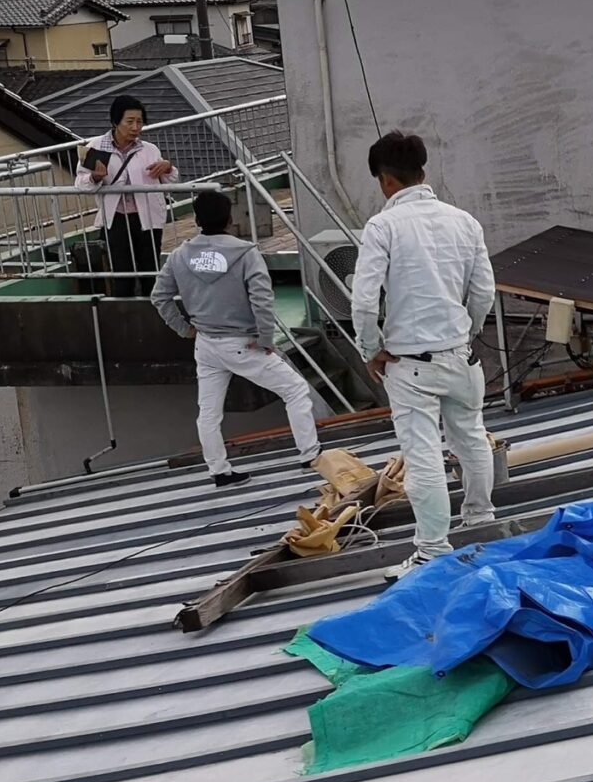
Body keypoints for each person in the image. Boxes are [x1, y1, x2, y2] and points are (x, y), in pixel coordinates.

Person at [352, 130, 496, 567]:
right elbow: (484, 290)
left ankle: (433, 550)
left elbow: (363, 300)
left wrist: (370, 349)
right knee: (471, 437)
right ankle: (481, 517)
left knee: (423, 454)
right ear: (423, 171)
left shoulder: (383, 226)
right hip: (461, 355)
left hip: (410, 363)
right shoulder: (464, 220)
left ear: (386, 181)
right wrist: (467, 331)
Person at [152, 190, 321, 488]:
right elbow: (262, 299)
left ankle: (219, 470)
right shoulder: (245, 253)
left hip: (205, 343)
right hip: (243, 343)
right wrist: (267, 337)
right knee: (295, 390)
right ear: (230, 219)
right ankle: (310, 455)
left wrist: (183, 328)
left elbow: (160, 297)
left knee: (209, 412)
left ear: (196, 219)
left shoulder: (180, 255)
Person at [76, 93, 176, 295]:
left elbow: (171, 181)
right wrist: (95, 177)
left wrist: (167, 168)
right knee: (122, 271)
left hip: (147, 217)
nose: (135, 127)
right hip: (116, 219)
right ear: (115, 121)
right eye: (129, 121)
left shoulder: (149, 149)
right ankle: (125, 312)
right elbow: (81, 184)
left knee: (150, 269)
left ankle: (153, 310)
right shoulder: (95, 148)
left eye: (140, 122)